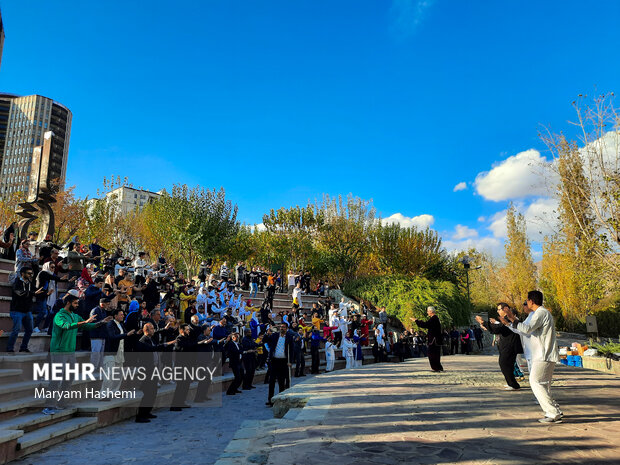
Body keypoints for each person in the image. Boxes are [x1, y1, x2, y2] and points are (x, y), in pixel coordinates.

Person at [499, 290, 563, 424]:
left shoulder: (541, 313)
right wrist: (510, 323)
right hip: (539, 354)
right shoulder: (537, 314)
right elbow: (523, 329)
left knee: (535, 382)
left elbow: (527, 329)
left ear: (531, 301)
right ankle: (554, 409)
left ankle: (553, 412)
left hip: (543, 354)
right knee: (543, 385)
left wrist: (511, 317)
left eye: (527, 300)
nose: (526, 303)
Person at [42, 294, 111, 414]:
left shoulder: (75, 316)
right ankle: (49, 406)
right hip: (59, 352)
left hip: (70, 352)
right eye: (75, 303)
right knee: (56, 379)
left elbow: (88, 326)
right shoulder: (59, 316)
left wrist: (101, 322)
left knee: (69, 378)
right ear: (68, 303)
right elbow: (66, 326)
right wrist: (85, 321)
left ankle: (61, 403)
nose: (77, 305)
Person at [476, 304, 524, 390]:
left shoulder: (509, 319)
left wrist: (483, 322)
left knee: (504, 364)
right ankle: (512, 383)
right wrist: (487, 325)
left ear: (505, 309)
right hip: (506, 345)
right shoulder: (505, 319)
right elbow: (497, 328)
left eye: (499, 309)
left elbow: (499, 328)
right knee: (507, 365)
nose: (498, 311)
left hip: (510, 346)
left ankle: (513, 384)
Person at [6, 266, 35, 353]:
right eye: (28, 273)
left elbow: (35, 292)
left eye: (31, 273)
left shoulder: (30, 283)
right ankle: (10, 348)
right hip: (17, 310)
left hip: (27, 311)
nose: (30, 275)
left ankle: (23, 347)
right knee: (16, 330)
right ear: (22, 274)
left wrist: (46, 293)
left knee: (29, 330)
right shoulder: (17, 282)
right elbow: (20, 293)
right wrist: (32, 293)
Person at [265, 323, 294, 406]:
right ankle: (270, 400)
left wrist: (290, 361)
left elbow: (291, 350)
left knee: (281, 381)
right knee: (272, 381)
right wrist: (267, 333)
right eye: (281, 327)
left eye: (283, 327)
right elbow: (266, 340)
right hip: (274, 361)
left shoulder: (289, 337)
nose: (282, 328)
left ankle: (281, 399)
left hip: (284, 362)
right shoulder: (274, 336)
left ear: (286, 328)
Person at [411, 306, 444, 372]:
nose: (427, 312)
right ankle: (438, 367)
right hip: (436, 339)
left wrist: (416, 321)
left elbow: (425, 325)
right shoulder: (435, 318)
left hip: (434, 340)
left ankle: (436, 367)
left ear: (431, 312)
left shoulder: (434, 318)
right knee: (435, 353)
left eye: (428, 311)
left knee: (432, 354)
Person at [89, 297, 112, 370]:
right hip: (96, 335)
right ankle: (93, 369)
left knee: (101, 354)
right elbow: (92, 323)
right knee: (96, 353)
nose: (108, 306)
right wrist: (103, 321)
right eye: (107, 304)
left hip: (102, 335)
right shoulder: (95, 311)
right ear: (102, 304)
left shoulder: (103, 311)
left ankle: (99, 368)